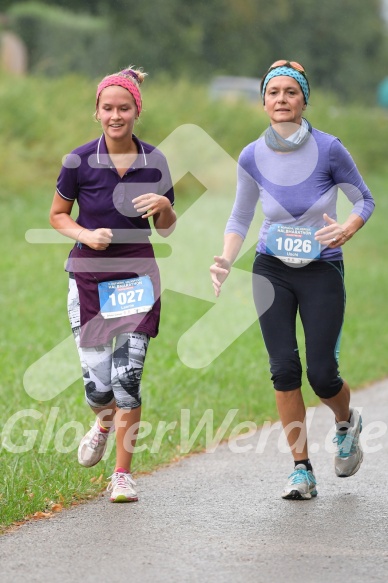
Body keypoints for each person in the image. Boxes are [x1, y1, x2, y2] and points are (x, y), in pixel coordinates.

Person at [210, 60, 375, 500]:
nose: (281, 100)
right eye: (273, 93)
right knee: (284, 369)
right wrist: (226, 259)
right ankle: (301, 469)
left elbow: (365, 199)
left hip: (322, 267)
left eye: (290, 93)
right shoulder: (251, 154)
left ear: (304, 100)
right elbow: (241, 214)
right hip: (271, 268)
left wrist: (349, 227)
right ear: (263, 101)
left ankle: (346, 422)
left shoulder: (329, 148)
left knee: (322, 375)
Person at [50, 66, 176, 502]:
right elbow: (57, 216)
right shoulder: (78, 161)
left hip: (138, 279)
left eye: (124, 107)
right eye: (108, 108)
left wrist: (163, 206)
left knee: (128, 378)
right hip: (88, 280)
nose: (116, 115)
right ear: (97, 112)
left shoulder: (155, 162)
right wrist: (85, 235)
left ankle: (121, 475)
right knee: (99, 388)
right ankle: (103, 421)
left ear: (135, 111)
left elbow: (166, 229)